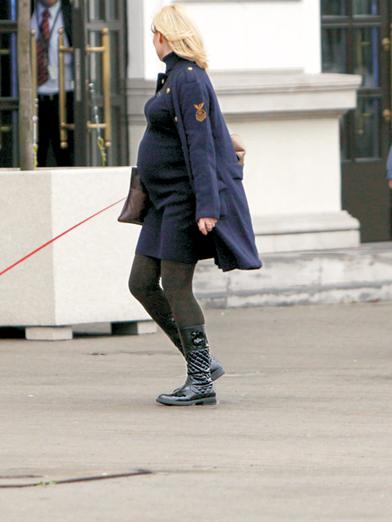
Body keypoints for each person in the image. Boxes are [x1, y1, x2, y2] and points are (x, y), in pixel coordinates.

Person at [128, 5, 262, 407]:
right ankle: (201, 361)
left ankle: (201, 379)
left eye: (154, 34)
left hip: (185, 203)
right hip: (162, 202)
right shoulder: (171, 78)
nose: (153, 41)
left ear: (164, 36)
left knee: (176, 285)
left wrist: (208, 206)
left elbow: (201, 146)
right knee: (140, 282)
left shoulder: (189, 79)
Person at [30, 0, 75, 166]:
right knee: (36, 157)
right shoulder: (29, 12)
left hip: (65, 97)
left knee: (66, 155)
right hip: (35, 99)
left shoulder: (70, 14)